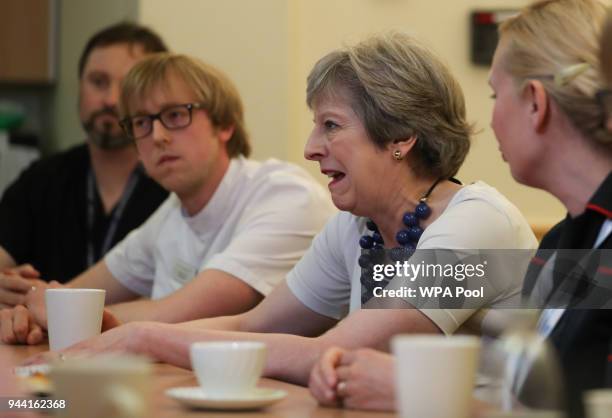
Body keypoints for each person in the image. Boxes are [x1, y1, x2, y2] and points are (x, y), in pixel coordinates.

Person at [21, 33, 536, 387]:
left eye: (331, 125)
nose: (312, 147)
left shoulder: (478, 224)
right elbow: (251, 327)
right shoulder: (353, 230)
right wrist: (122, 335)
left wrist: (146, 337)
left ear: (401, 136)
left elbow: (335, 351)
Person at [309, 1, 612, 417]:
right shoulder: (567, 240)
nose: (490, 117)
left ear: (536, 104)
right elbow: (546, 406)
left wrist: (424, 396)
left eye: (495, 94)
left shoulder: (480, 218)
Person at [0, 53, 334, 345]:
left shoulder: (286, 195)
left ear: (225, 125)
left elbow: (173, 313)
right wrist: (28, 310)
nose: (157, 136)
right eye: (142, 122)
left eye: (175, 115)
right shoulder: (171, 213)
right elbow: (76, 293)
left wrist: (56, 312)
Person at [0, 22, 169, 306]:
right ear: (79, 88)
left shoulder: (174, 186)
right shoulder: (43, 179)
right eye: (98, 81)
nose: (111, 99)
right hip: (44, 344)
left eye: (127, 85)